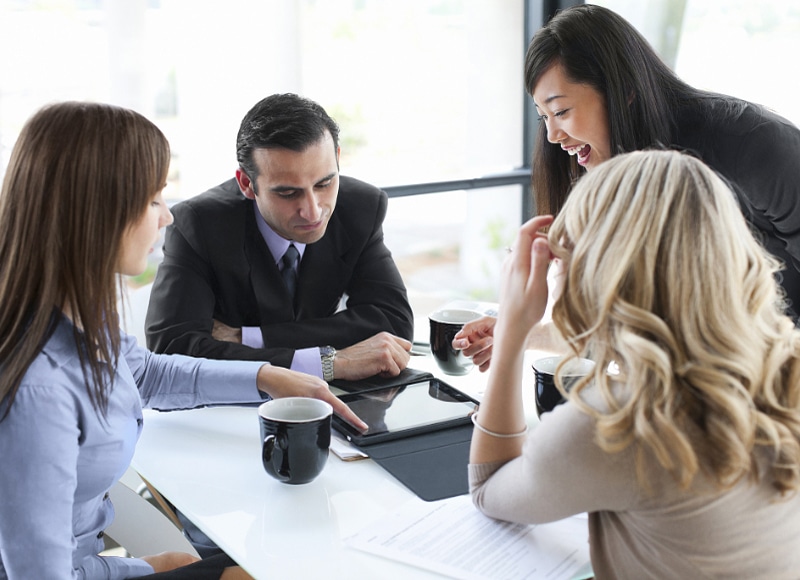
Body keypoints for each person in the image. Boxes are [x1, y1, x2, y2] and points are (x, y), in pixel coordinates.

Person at [0, 101, 366, 580]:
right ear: (97, 212)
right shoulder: (39, 391)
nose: (166, 217)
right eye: (153, 200)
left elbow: (147, 372)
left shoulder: (72, 313)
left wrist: (267, 376)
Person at [469, 149, 800, 577]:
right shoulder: (782, 365)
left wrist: (513, 330)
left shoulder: (620, 425)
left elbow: (489, 489)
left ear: (599, 270)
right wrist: (534, 334)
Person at [455, 3, 800, 367]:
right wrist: (519, 333)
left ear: (624, 91)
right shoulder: (609, 175)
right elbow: (626, 331)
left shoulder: (754, 144)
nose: (553, 136)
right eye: (543, 117)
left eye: (560, 112)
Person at [145, 93, 414, 383]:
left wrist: (248, 338)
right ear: (247, 183)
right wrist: (329, 363)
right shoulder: (198, 224)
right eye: (288, 192)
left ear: (337, 158)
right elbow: (172, 349)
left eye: (324, 183)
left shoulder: (361, 207)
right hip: (230, 409)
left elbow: (393, 324)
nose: (313, 211)